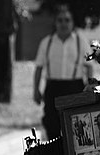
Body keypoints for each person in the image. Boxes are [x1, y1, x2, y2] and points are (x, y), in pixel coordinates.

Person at [32, 4, 93, 140]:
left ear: (72, 22)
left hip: (75, 87)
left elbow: (89, 66)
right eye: (60, 20)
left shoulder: (80, 41)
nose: (63, 24)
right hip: (53, 88)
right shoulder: (46, 42)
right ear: (55, 23)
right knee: (52, 125)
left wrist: (89, 87)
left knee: (75, 127)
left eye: (67, 20)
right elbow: (39, 67)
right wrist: (36, 90)